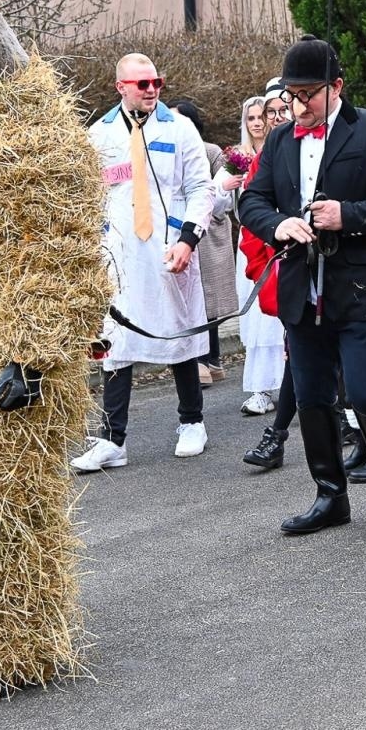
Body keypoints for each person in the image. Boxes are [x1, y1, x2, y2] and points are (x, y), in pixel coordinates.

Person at [238, 35, 366, 536]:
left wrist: (349, 216)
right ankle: (330, 494)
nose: (296, 107)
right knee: (314, 397)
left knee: (365, 392)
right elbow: (250, 202)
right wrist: (278, 224)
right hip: (303, 291)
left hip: (364, 290)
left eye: (307, 95)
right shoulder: (278, 142)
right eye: (290, 96)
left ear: (336, 86)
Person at [73, 53, 216, 471]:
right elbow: (86, 197)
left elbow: (200, 188)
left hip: (169, 248)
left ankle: (192, 421)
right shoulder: (97, 135)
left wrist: (189, 239)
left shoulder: (180, 128)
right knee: (115, 341)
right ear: (121, 87)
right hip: (118, 254)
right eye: (142, 84)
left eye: (157, 82)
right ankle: (112, 439)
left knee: (178, 331)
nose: (151, 89)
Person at [172, 99, 236, 390]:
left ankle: (209, 359)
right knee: (188, 297)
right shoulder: (166, 151)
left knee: (208, 297)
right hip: (179, 230)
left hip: (208, 231)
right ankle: (202, 360)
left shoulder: (210, 152)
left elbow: (223, 196)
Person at [232, 95, 286, 415]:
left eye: (281, 111)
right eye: (270, 113)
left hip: (286, 241)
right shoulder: (244, 157)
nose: (271, 118)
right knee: (259, 317)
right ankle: (262, 387)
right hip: (257, 240)